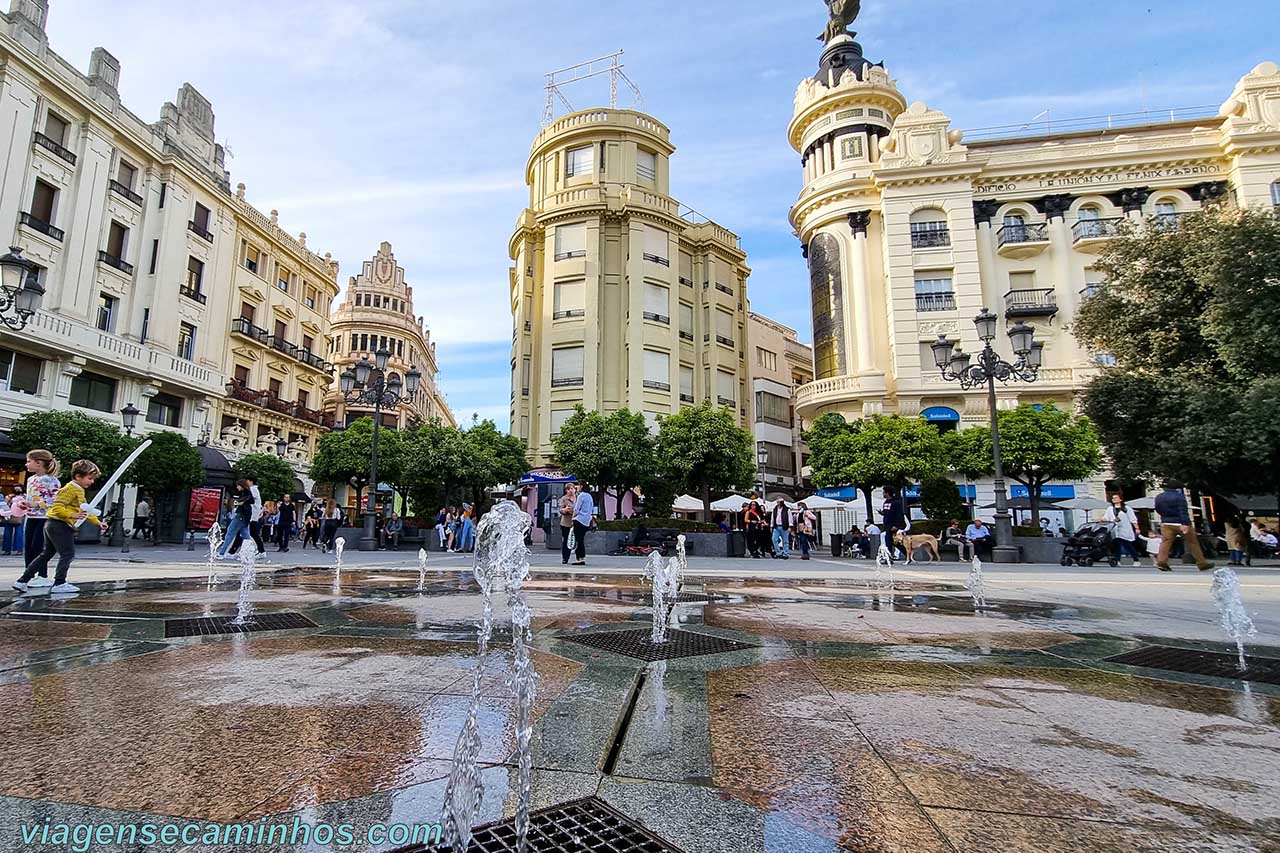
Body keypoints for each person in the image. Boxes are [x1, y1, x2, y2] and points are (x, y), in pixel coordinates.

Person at [14, 460, 107, 594]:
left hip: (53, 524)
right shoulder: (70, 489)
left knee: (45, 554)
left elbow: (84, 510)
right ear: (78, 476)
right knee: (67, 554)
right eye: (89, 478)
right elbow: (57, 508)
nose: (92, 482)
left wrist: (96, 522)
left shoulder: (77, 489)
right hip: (59, 525)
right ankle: (59, 583)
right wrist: (72, 515)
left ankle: (23, 580)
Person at [21, 450, 61, 586]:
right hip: (31, 516)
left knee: (38, 547)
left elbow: (56, 501)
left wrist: (37, 504)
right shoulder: (30, 479)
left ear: (38, 463)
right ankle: (29, 573)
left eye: (29, 461)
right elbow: (30, 497)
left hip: (45, 517)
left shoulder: (53, 481)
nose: (27, 464)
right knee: (28, 546)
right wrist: (24, 504)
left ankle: (42, 575)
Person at [1153, 482, 1212, 572]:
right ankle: (1201, 563)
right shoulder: (1179, 496)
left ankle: (1161, 562)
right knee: (1192, 542)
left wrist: (1164, 517)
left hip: (1166, 522)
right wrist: (1185, 523)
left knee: (1165, 543)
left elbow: (1158, 509)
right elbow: (1183, 511)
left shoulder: (1159, 497)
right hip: (1180, 523)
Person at [217, 481, 255, 559]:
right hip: (245, 517)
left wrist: (238, 503)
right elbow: (250, 501)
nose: (237, 487)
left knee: (230, 532)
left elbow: (243, 501)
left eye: (238, 486)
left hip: (241, 516)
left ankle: (222, 553)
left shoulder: (245, 492)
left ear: (242, 486)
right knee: (245, 535)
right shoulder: (247, 493)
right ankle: (250, 552)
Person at [1103, 494, 1141, 566]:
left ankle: (1136, 560)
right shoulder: (1110, 509)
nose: (1114, 499)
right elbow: (1106, 517)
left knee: (1128, 545)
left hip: (1125, 529)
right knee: (1117, 545)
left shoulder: (1126, 508)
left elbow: (1133, 519)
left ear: (1120, 499)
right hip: (1115, 529)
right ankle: (1117, 560)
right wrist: (1100, 520)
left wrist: (1136, 528)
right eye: (1113, 498)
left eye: (1116, 498)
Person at [880, 487, 907, 561]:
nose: (883, 494)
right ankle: (907, 554)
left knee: (889, 540)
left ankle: (889, 558)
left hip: (893, 525)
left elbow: (899, 515)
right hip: (887, 524)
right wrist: (882, 513)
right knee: (893, 542)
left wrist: (897, 525)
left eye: (884, 492)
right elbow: (887, 512)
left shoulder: (896, 502)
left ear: (887, 493)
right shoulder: (886, 502)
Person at [571, 484, 595, 566]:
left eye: (579, 486)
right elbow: (591, 509)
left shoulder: (581, 496)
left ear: (582, 486)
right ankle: (581, 557)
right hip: (586, 521)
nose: (577, 487)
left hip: (579, 520)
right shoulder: (589, 496)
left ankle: (579, 558)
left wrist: (573, 517)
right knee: (581, 539)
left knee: (578, 540)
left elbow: (577, 509)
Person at [559, 485, 577, 565]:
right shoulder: (564, 499)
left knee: (577, 540)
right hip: (566, 523)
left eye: (572, 488)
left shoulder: (578, 498)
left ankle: (579, 558)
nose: (570, 490)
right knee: (566, 541)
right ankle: (565, 558)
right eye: (568, 489)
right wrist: (565, 510)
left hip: (576, 522)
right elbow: (560, 509)